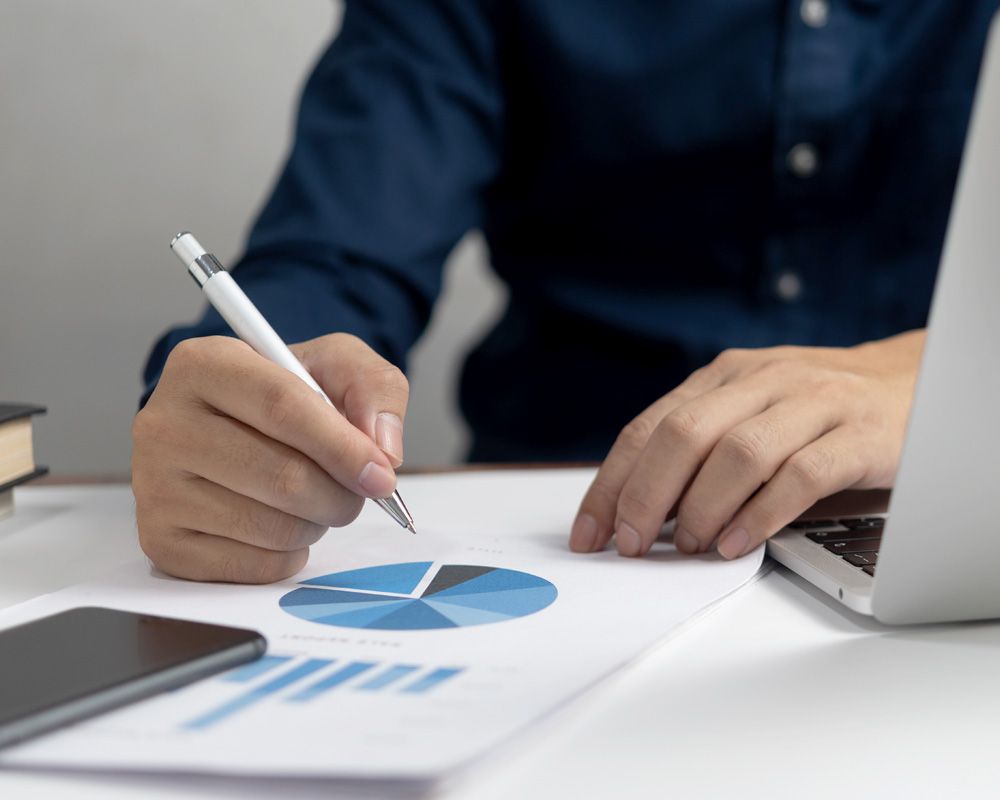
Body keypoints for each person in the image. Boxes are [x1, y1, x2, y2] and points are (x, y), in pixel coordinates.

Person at [132, 1, 1000, 583]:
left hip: (938, 520)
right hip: (570, 532)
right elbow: (336, 253)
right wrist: (236, 410)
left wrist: (948, 375)